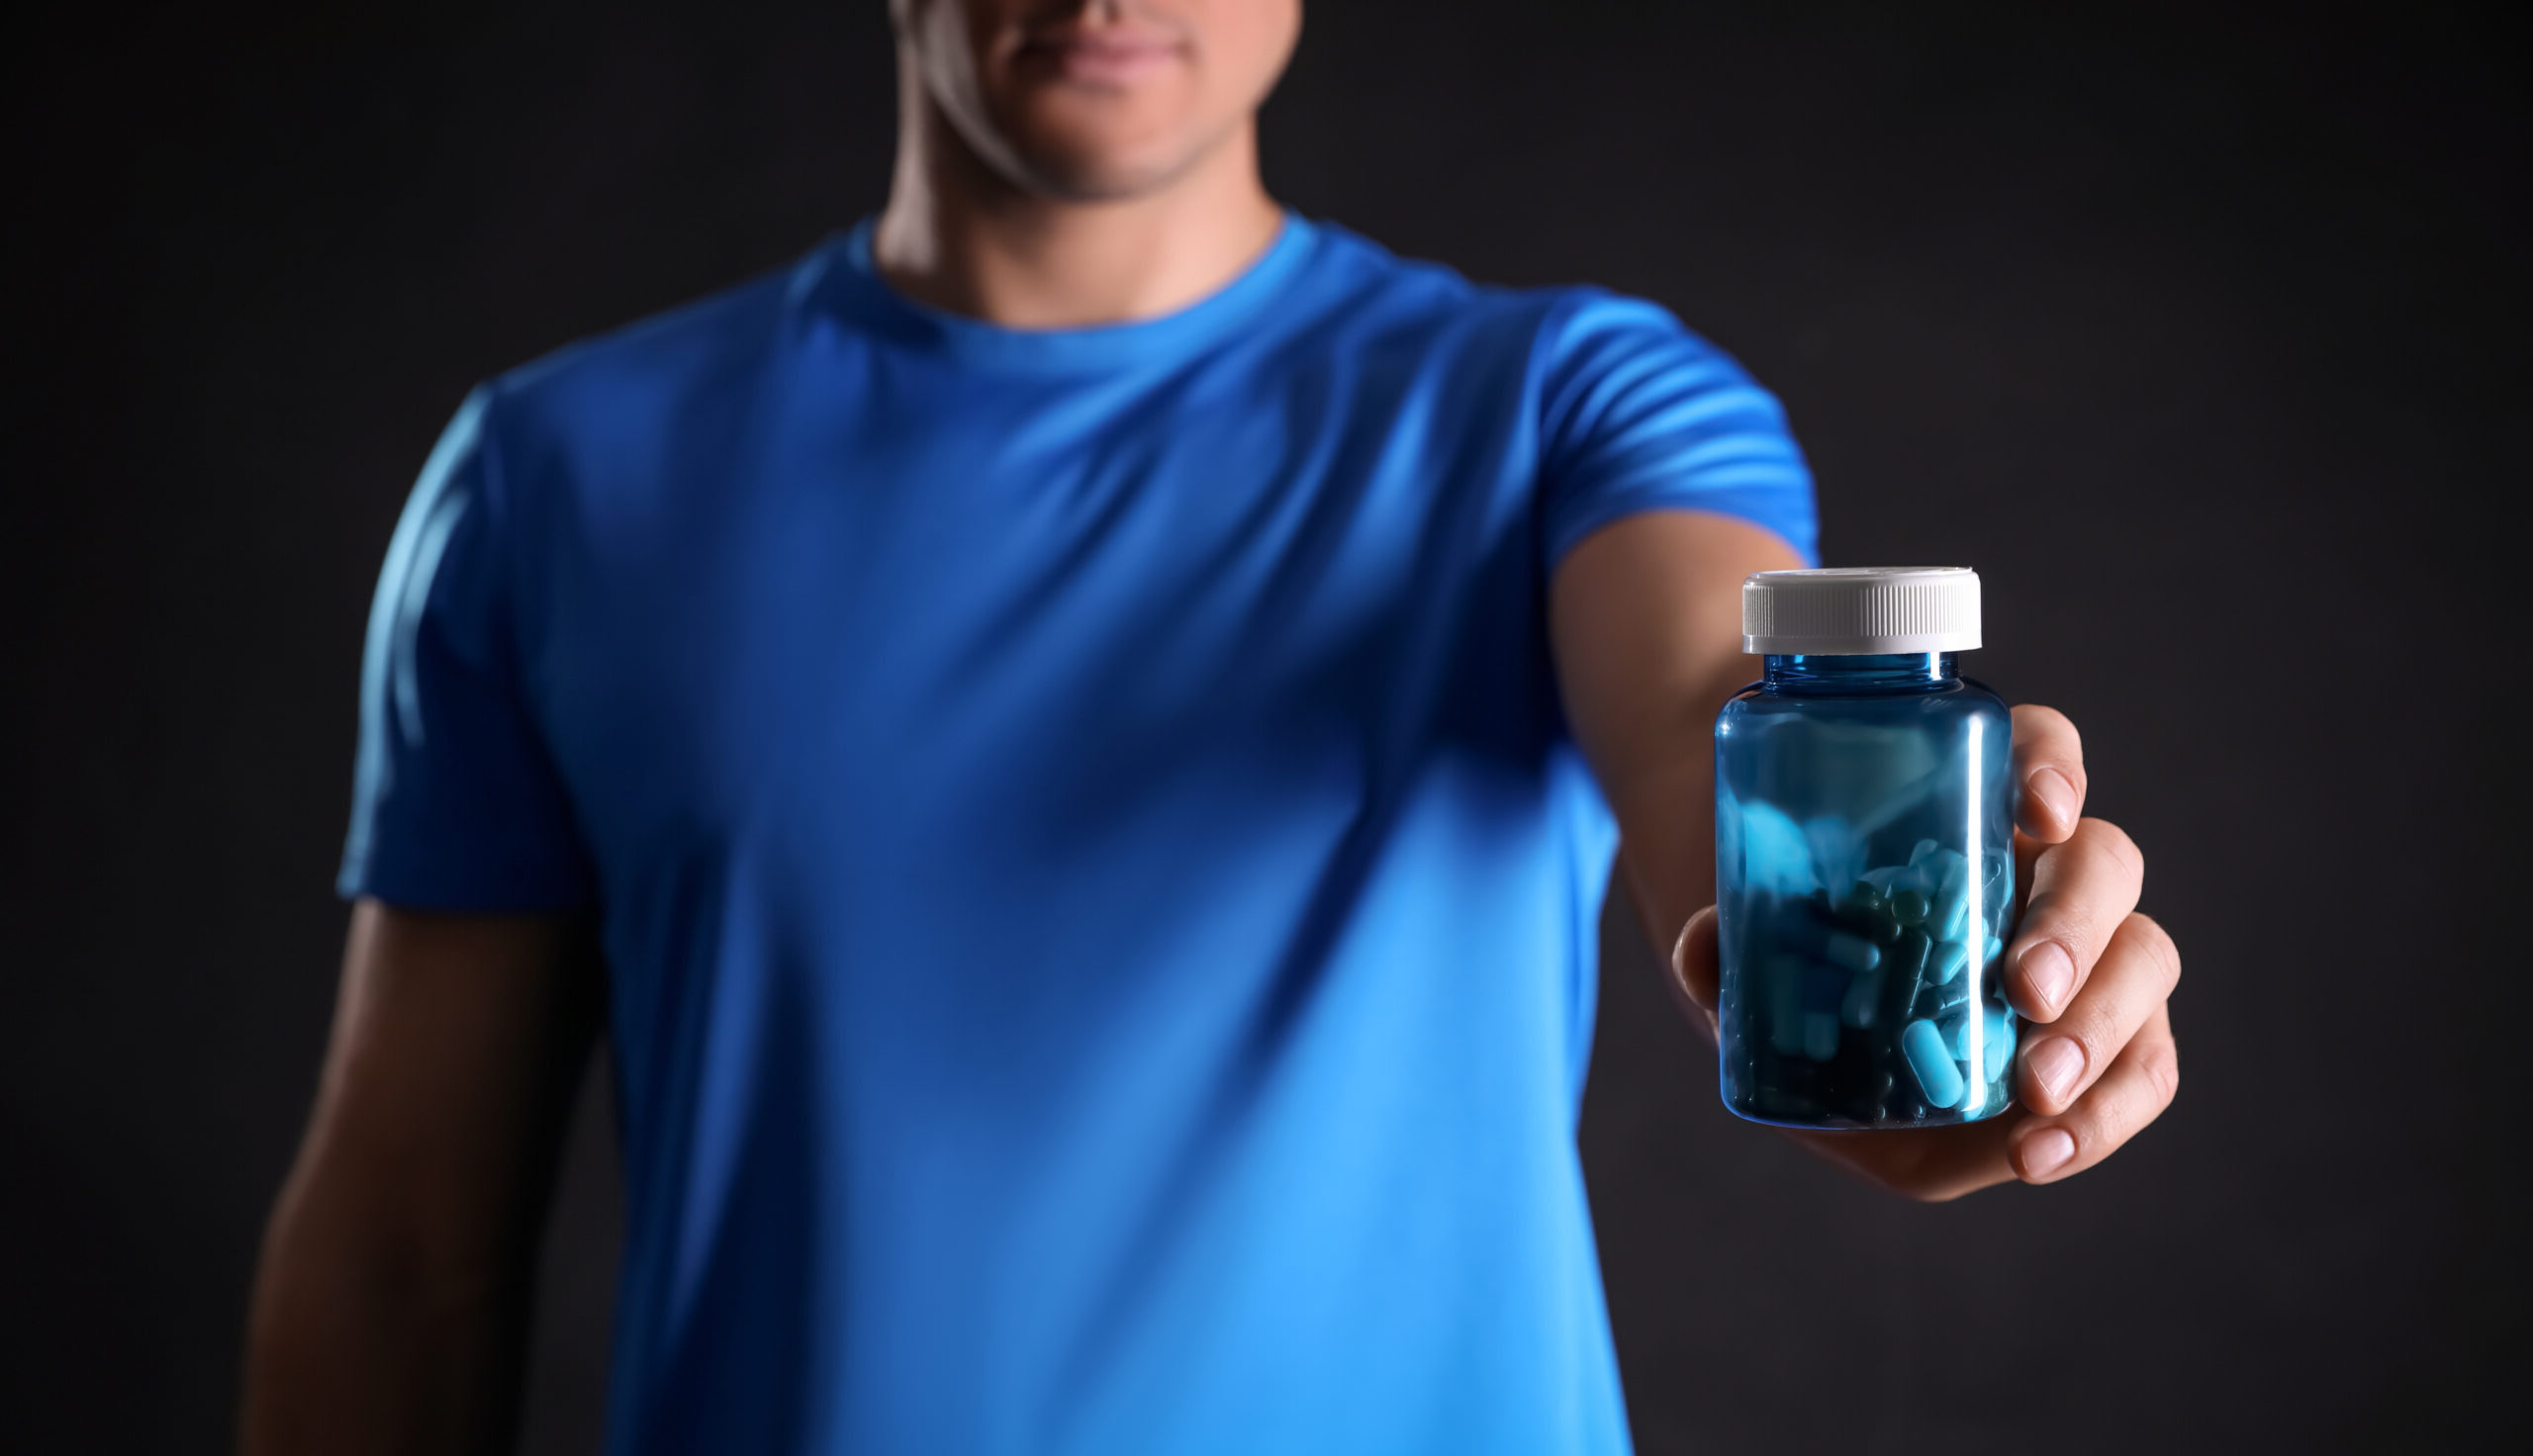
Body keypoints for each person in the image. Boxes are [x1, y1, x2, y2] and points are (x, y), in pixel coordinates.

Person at [240, 2, 2182, 1452]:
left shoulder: (1573, 409)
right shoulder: (554, 482)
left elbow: (1713, 726)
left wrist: (1910, 971)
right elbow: (407, 1252)